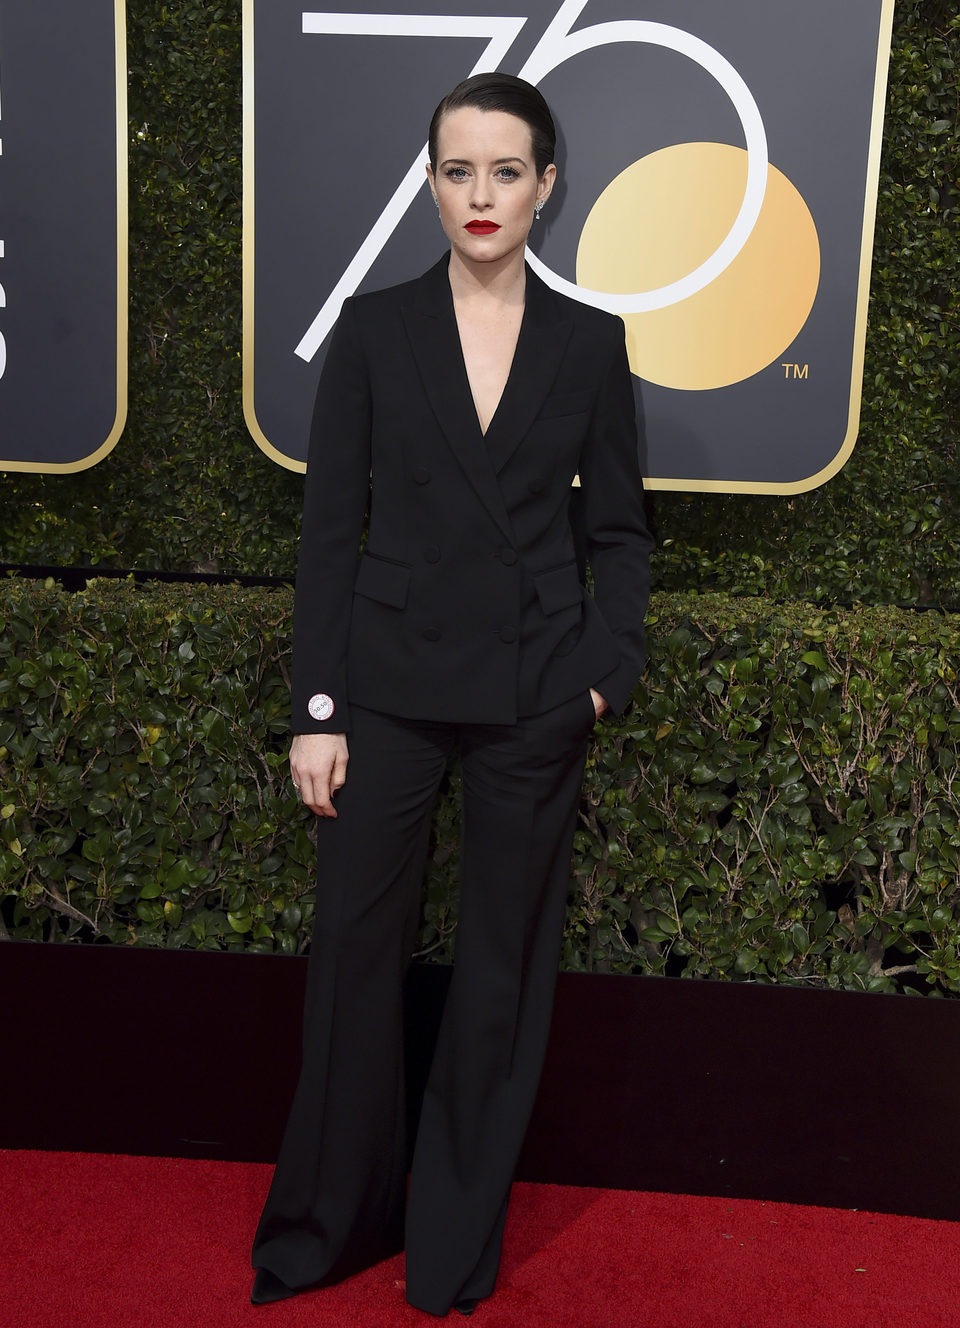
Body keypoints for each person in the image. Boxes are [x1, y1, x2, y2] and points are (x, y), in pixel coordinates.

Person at [250, 71, 653, 1317]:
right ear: (430, 182)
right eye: (457, 170)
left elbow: (623, 535)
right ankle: (330, 1223)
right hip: (385, 689)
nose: (481, 195)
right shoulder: (374, 331)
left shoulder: (591, 341)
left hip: (536, 688)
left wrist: (601, 677)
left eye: (506, 171)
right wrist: (317, 710)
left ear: (548, 186)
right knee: (354, 965)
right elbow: (329, 535)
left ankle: (451, 1244)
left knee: (500, 974)